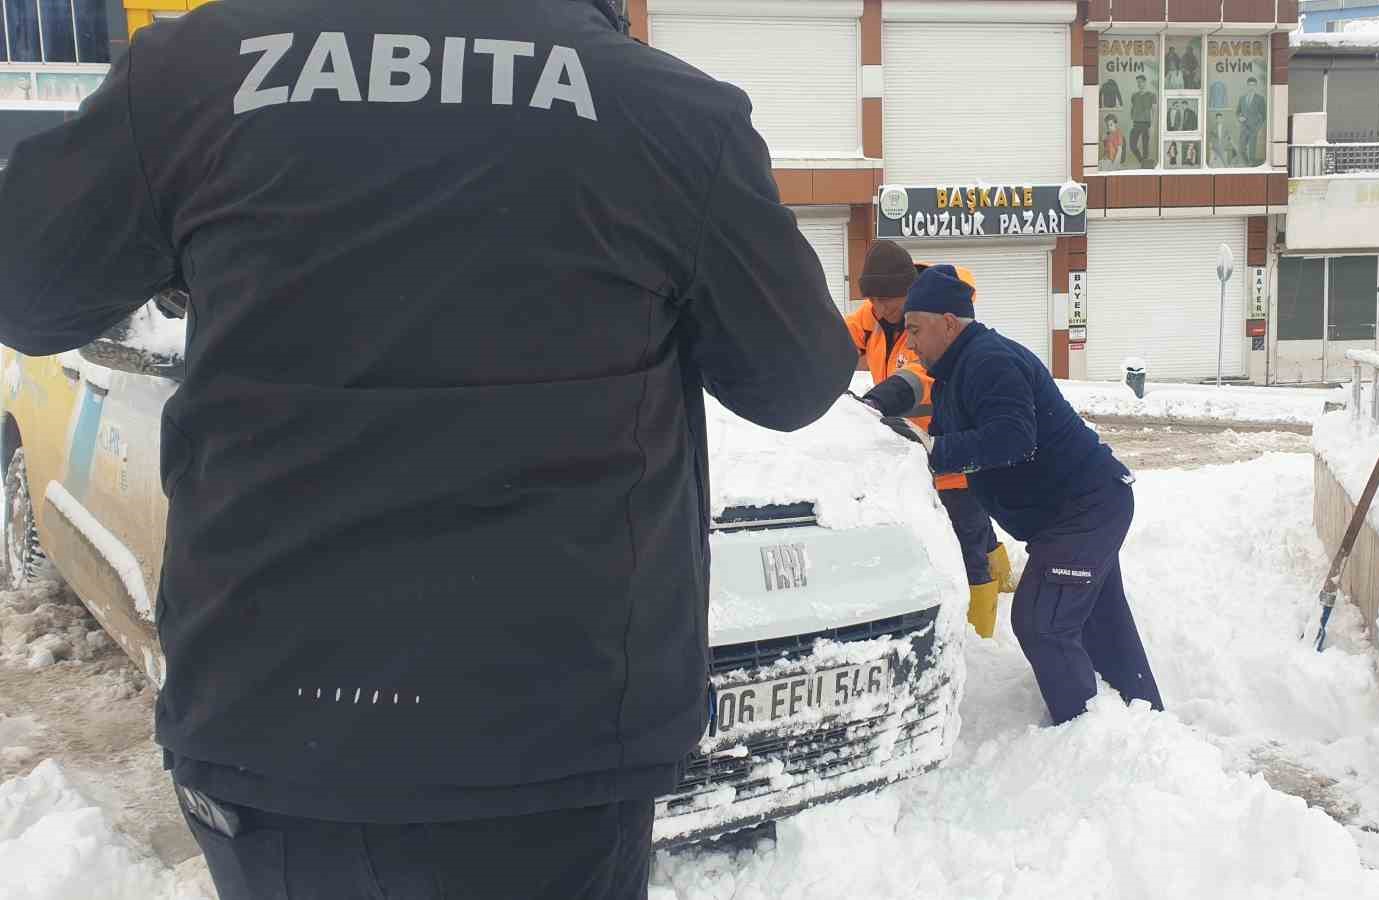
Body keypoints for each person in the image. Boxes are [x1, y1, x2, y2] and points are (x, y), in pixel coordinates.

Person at [0, 0, 857, 896]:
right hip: (557, 747)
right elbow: (794, 379)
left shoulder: (197, 74)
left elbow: (28, 288)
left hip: (282, 737)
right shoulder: (666, 111)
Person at [880, 266, 1163, 725]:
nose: (909, 343)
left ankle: (1083, 732)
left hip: (1085, 509)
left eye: (915, 330)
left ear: (949, 323)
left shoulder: (990, 361)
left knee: (1041, 621)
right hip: (1079, 511)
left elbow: (1014, 438)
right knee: (1101, 622)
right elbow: (927, 398)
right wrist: (879, 406)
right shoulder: (958, 367)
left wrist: (936, 449)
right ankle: (1145, 722)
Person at [847, 241, 1017, 637]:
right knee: (975, 527)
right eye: (872, 298)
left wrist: (878, 400)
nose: (879, 307)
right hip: (914, 446)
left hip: (954, 449)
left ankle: (982, 633)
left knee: (967, 536)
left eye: (886, 299)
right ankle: (1004, 577)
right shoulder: (873, 317)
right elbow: (838, 339)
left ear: (908, 292)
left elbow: (925, 377)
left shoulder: (935, 322)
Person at [1236, 75, 1269, 166]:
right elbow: (1238, 112)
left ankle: (1251, 165)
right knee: (1242, 149)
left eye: (1253, 85)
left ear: (1256, 86)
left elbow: (1264, 115)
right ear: (1247, 86)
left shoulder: (1260, 99)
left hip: (1254, 128)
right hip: (1244, 128)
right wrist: (1240, 117)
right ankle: (1247, 164)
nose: (1251, 87)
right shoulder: (1242, 98)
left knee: (1252, 150)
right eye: (1250, 85)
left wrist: (1258, 127)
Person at [1129, 74, 1157, 167]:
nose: (1139, 84)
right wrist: (1132, 116)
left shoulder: (1151, 95)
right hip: (1136, 123)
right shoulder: (1134, 95)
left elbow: (1154, 111)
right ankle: (1142, 161)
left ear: (1145, 82)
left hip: (1146, 124)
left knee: (1145, 148)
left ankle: (1145, 166)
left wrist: (1152, 125)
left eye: (1141, 82)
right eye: (1138, 82)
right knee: (1132, 145)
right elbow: (1133, 107)